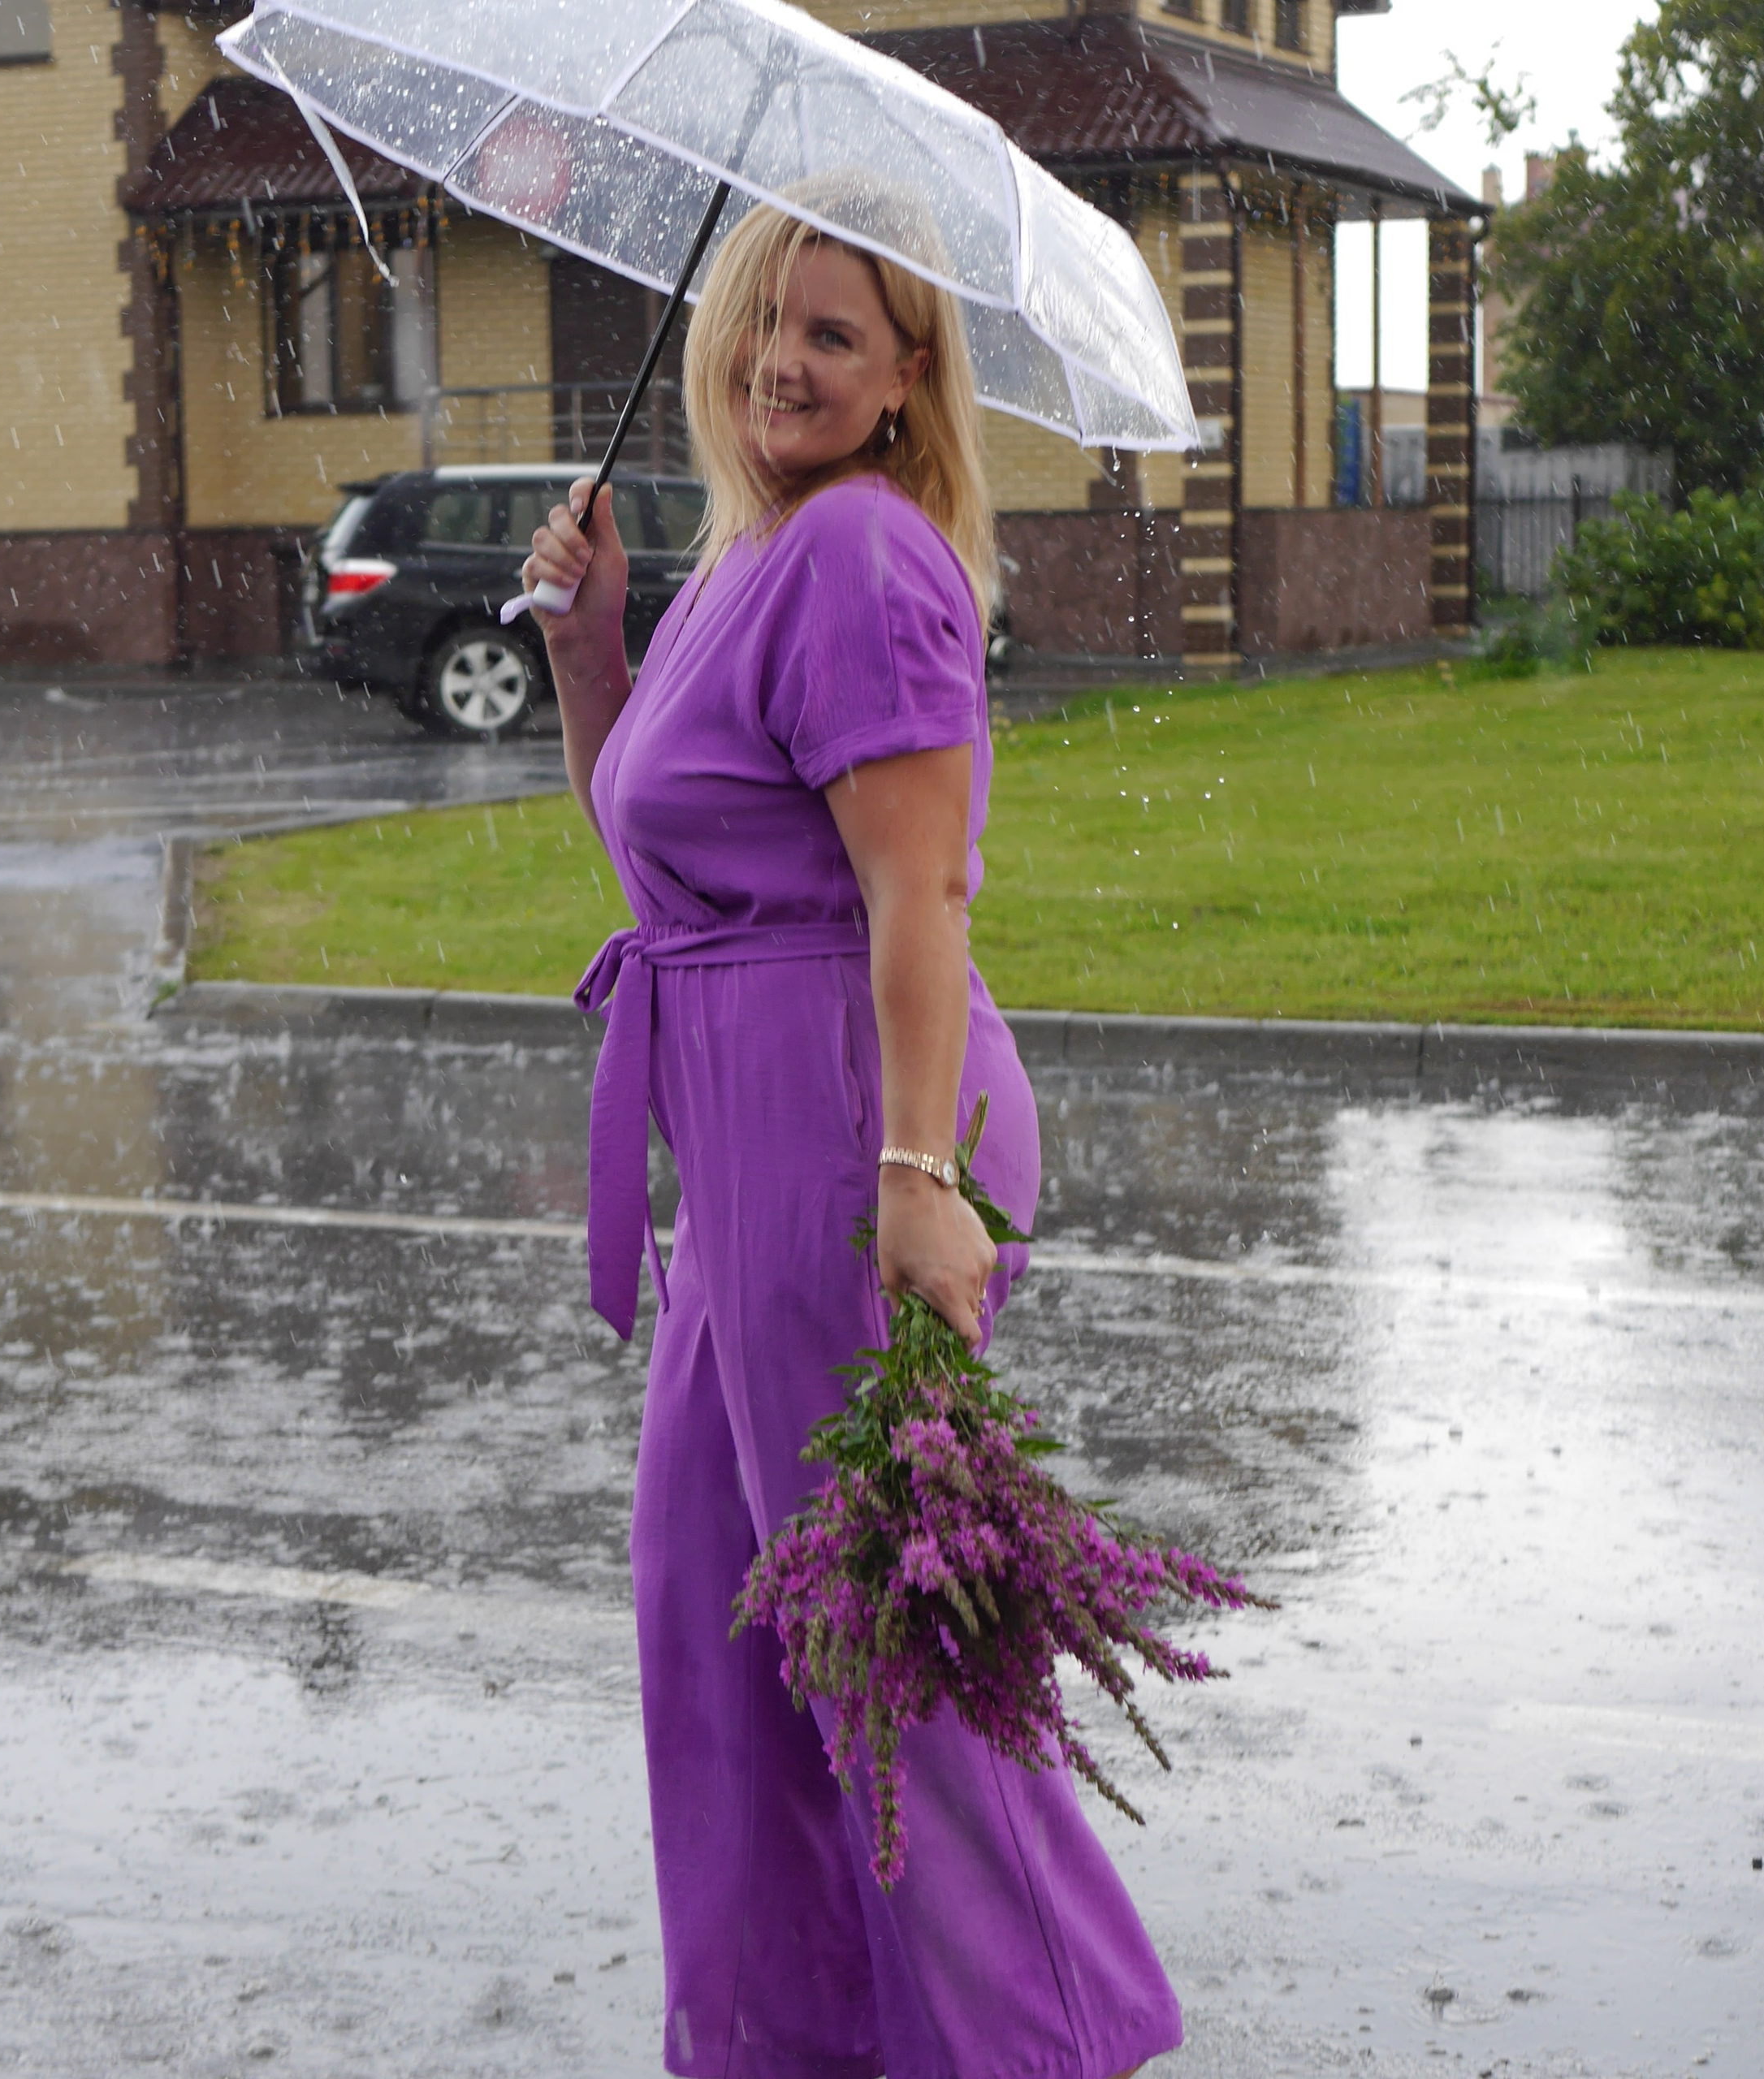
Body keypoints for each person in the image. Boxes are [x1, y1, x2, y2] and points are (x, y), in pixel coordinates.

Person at [521, 190, 1180, 2079]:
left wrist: (911, 1181)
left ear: (904, 382)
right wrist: (592, 654)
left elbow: (919, 901)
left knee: (891, 1649)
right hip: (741, 1133)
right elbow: (666, 865)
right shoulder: (752, 556)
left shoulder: (872, 560)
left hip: (847, 1116)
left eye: (834, 334)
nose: (780, 362)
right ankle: (787, 2037)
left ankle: (1045, 2035)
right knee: (715, 1623)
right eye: (763, 323)